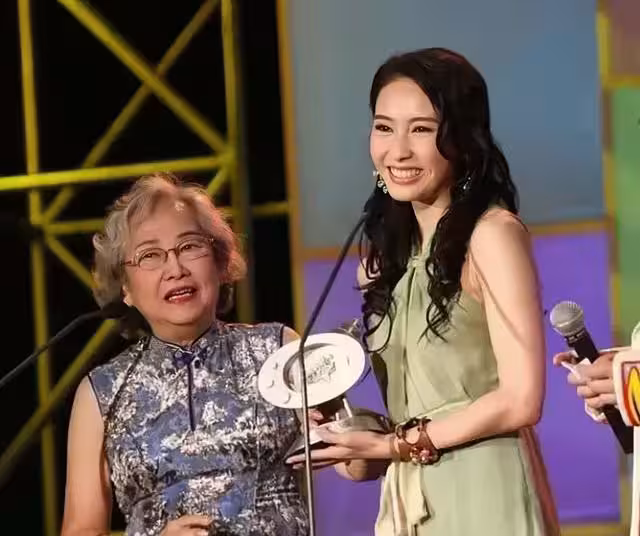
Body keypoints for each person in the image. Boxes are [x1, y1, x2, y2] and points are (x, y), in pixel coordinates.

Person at [287, 47, 559, 535]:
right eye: (384, 127)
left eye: (421, 129)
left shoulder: (491, 236)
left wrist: (397, 445)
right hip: (409, 503)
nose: (398, 151)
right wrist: (345, 428)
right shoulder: (384, 261)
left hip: (484, 494)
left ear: (463, 138)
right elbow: (405, 424)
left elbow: (521, 399)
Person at [60, 173, 308, 536]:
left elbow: (355, 464)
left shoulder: (277, 348)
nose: (175, 269)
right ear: (125, 288)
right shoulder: (102, 393)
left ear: (219, 262)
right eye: (150, 255)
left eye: (190, 246)